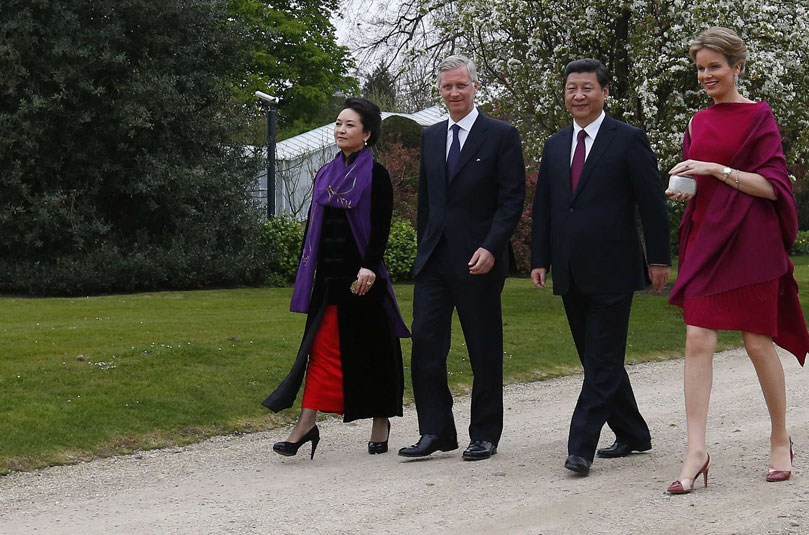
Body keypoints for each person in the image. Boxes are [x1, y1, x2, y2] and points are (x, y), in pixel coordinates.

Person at [666, 27, 809, 494]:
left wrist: (716, 170)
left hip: (751, 243)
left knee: (756, 344)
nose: (706, 75)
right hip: (707, 241)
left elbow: (772, 187)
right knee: (697, 339)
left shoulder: (759, 116)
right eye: (701, 68)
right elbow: (695, 178)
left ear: (736, 68)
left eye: (715, 67)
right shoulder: (696, 122)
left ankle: (778, 437)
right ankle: (696, 450)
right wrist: (683, 182)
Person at [530, 59, 670, 476]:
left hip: (614, 268)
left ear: (605, 92)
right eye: (572, 88)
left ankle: (580, 447)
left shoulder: (628, 139)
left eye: (587, 88)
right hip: (570, 270)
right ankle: (633, 432)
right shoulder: (555, 145)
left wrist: (659, 259)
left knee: (603, 359)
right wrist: (539, 259)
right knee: (597, 361)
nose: (578, 95)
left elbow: (651, 204)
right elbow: (545, 209)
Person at [262, 97, 410, 459]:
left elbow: (380, 228)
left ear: (367, 133)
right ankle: (306, 423)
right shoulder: (325, 174)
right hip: (328, 280)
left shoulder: (376, 175)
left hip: (362, 280)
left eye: (350, 125)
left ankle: (380, 421)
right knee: (321, 350)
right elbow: (317, 227)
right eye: (339, 123)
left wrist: (370, 267)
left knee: (373, 352)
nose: (341, 130)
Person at [398, 55, 526, 461]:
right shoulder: (431, 136)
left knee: (483, 349)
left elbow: (511, 200)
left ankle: (485, 433)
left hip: (479, 260)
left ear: (474, 87)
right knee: (425, 346)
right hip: (435, 262)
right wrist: (423, 250)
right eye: (447, 87)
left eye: (460, 86)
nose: (453, 93)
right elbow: (428, 203)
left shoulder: (501, 135)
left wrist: (492, 247)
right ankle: (435, 431)